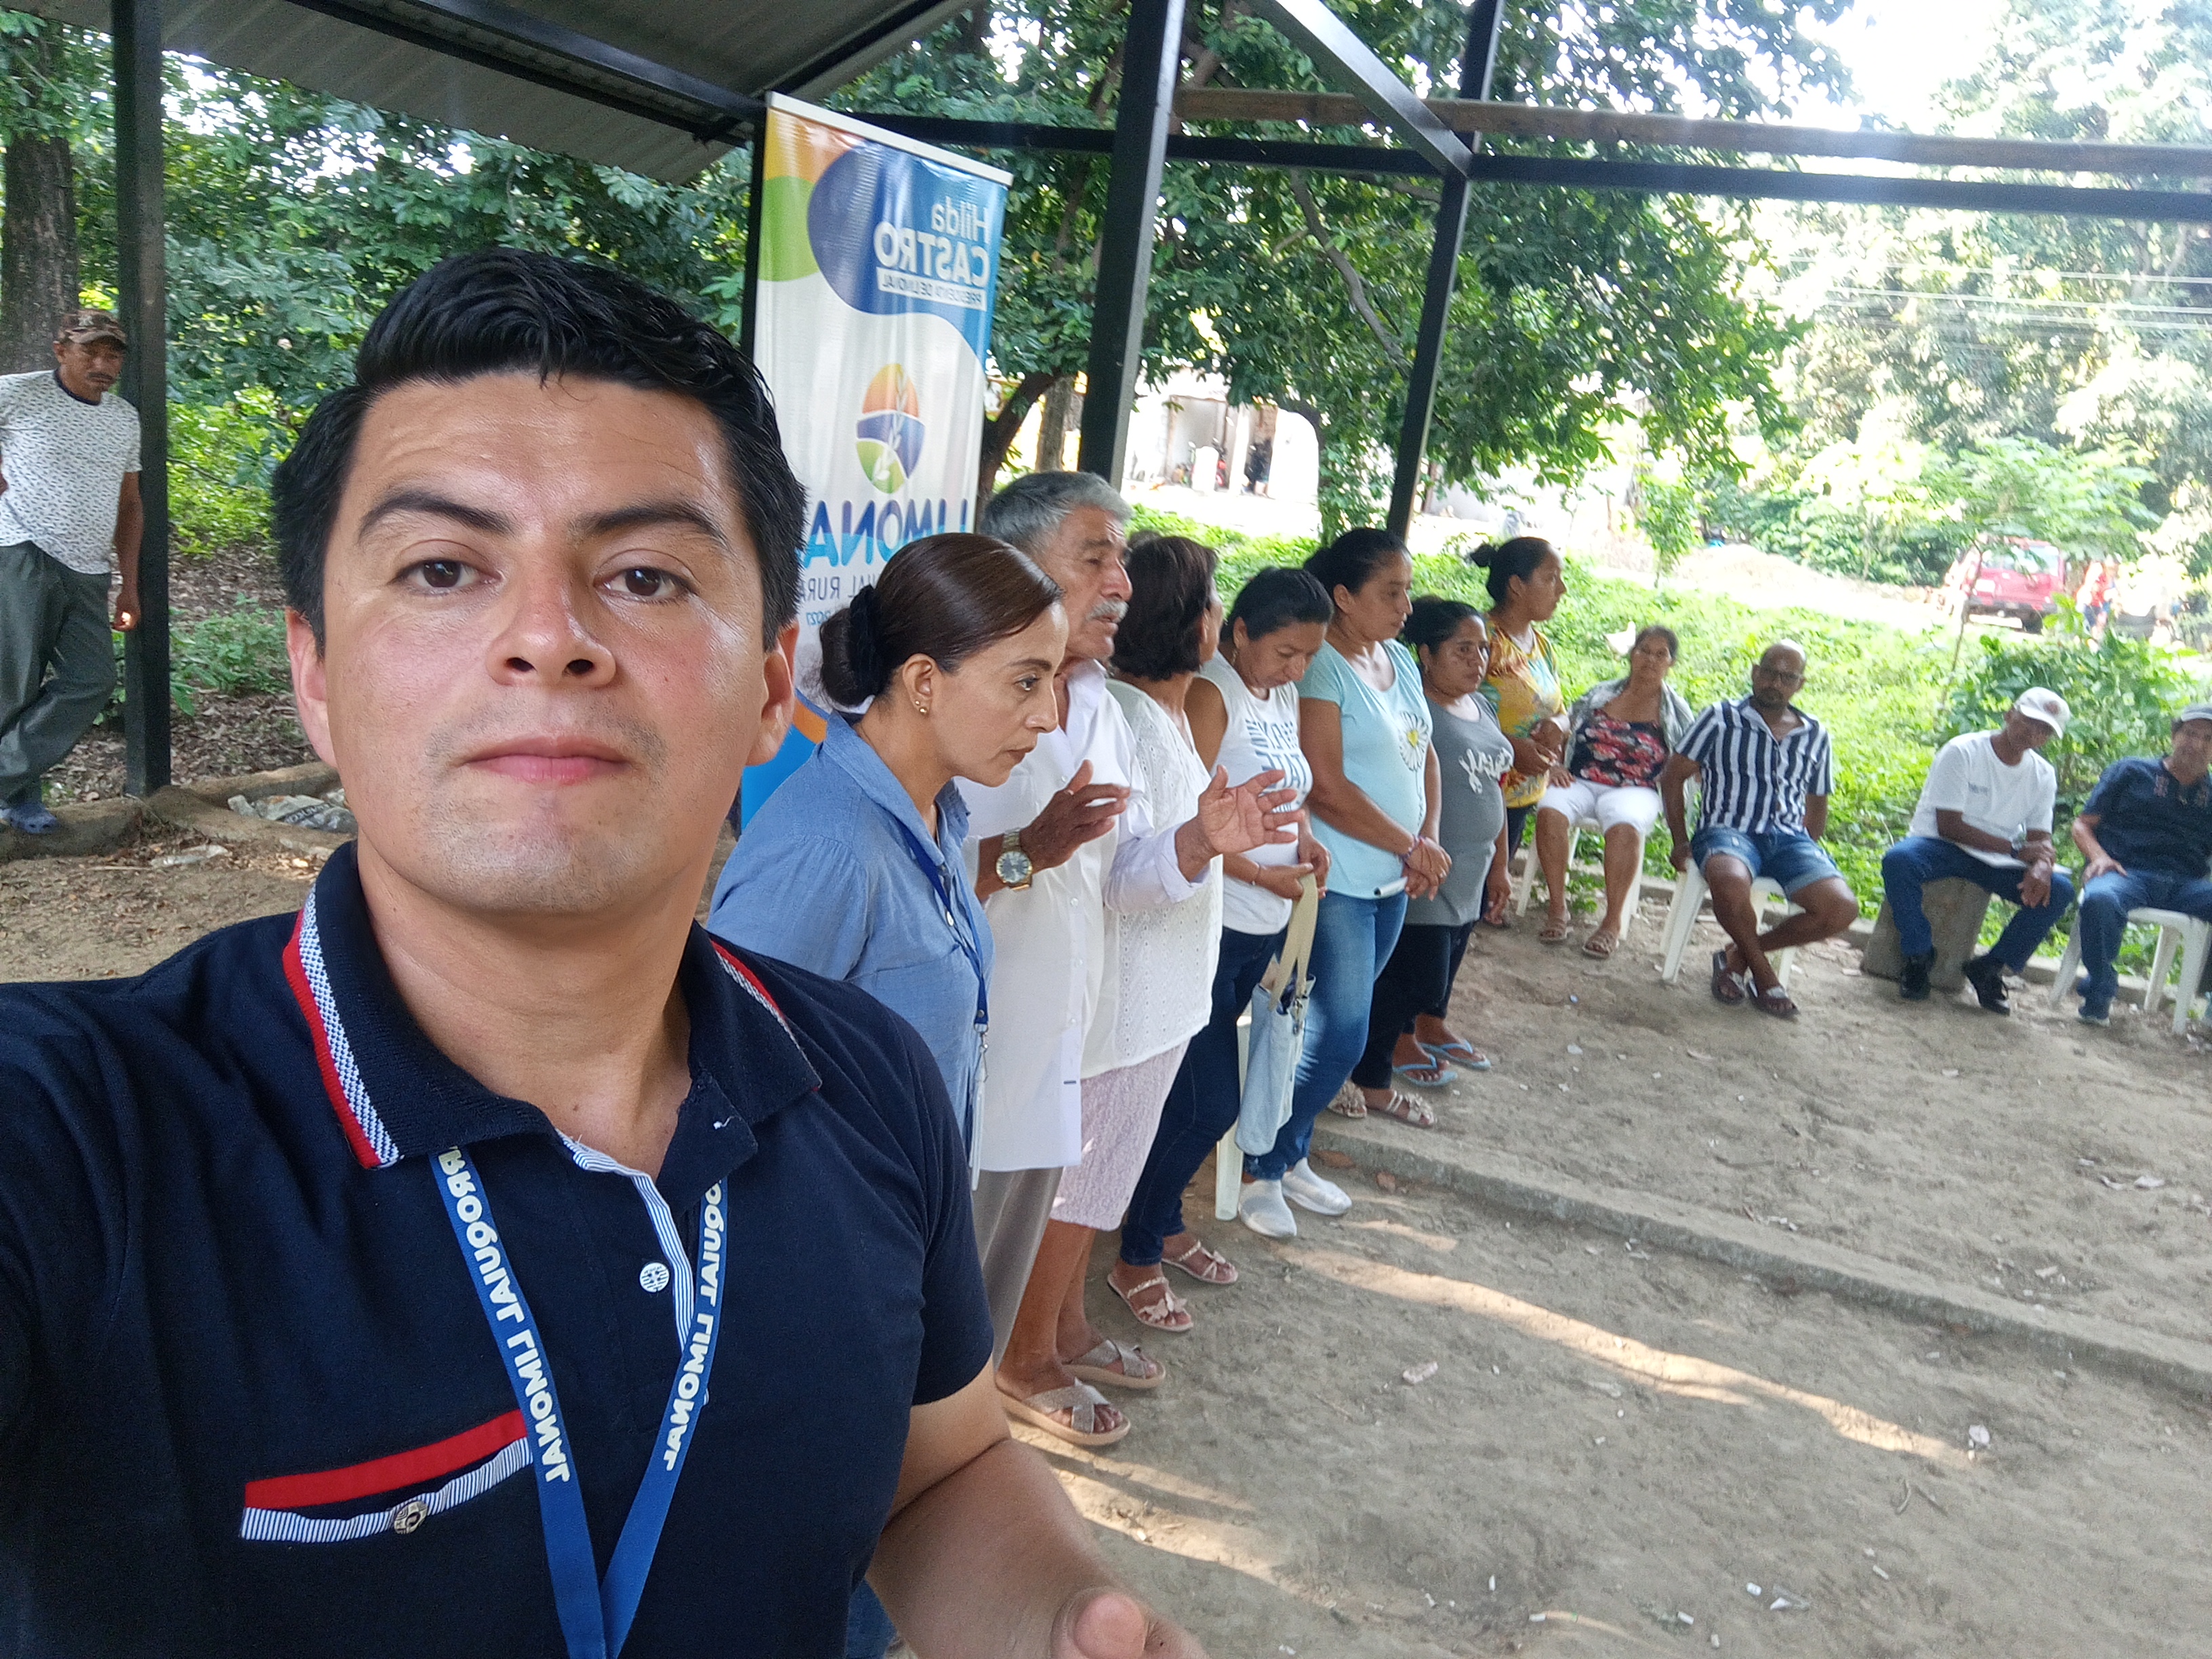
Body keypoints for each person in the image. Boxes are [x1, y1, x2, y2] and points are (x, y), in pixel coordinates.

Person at [0, 251, 1203, 1658]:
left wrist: (1062, 1614)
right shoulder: (78, 1135)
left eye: (643, 575)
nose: (547, 639)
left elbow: (936, 1469)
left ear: (770, 688)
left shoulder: (865, 1077)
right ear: (315, 676)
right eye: (442, 569)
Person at [705, 534, 1065, 1659]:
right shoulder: (827, 847)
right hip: (824, 1282)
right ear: (921, 680)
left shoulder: (935, 816)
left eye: (1053, 681)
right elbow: (719, 1088)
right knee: (829, 1567)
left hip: (894, 1257)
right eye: (1025, 681)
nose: (1048, 716)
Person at [962, 472, 1291, 1448]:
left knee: (1039, 1210)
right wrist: (1027, 852)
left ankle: (1026, 1359)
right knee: (962, 1244)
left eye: (1122, 558)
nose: (1121, 582)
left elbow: (1117, 880)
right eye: (1096, 557)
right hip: (973, 1029)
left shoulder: (1096, 705)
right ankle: (985, 1398)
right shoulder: (956, 688)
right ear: (1019, 565)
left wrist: (1198, 841)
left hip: (1072, 1015)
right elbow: (915, 871)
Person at [996, 535, 1228, 1437]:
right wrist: (1199, 843)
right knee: (1081, 1185)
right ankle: (1025, 1357)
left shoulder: (1138, 709)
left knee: (1099, 1179)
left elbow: (1146, 856)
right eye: (1211, 603)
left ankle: (1066, 1329)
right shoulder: (1127, 711)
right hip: (1123, 1004)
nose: (1116, 588)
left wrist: (1210, 838)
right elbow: (1114, 874)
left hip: (1157, 1000)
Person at [1110, 566, 1332, 1331]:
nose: (1296, 670)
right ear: (1238, 631)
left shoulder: (1281, 697)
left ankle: (1162, 1222)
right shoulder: (1211, 695)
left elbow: (1288, 789)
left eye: (1308, 656)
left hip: (1261, 926)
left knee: (1189, 1099)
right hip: (1213, 921)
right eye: (1285, 652)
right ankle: (1136, 1253)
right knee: (1208, 1102)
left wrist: (1305, 843)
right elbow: (1192, 827)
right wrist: (1262, 874)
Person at [1240, 528, 1446, 1237]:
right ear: (1344, 597)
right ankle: (1261, 1165)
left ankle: (1289, 1152)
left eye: (1407, 590)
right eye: (1392, 592)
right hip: (1340, 881)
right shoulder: (1321, 668)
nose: (1407, 606)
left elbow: (1425, 755)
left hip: (1394, 879)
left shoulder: (1397, 659)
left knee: (1327, 1029)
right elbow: (1324, 788)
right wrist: (1411, 845)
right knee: (1339, 1033)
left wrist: (1427, 843)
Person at [1346, 598, 1514, 1121]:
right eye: (1462, 649)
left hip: (1473, 869)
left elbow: (1495, 788)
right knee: (1415, 978)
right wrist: (1420, 843)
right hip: (1428, 870)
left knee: (1439, 975)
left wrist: (1500, 865)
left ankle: (1420, 1034)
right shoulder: (1417, 709)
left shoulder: (1481, 706)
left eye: (1482, 649)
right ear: (1425, 654)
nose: (1477, 660)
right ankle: (1374, 1067)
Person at [1659, 640, 1860, 1021]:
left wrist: (1806, 853)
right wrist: (1680, 841)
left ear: (1800, 684)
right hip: (1727, 830)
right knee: (1730, 880)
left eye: (1787, 677)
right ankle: (1766, 976)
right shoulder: (1720, 718)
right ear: (1754, 673)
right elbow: (1672, 776)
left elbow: (1817, 804)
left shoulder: (1815, 733)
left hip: (1789, 839)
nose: (1775, 683)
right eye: (1769, 672)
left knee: (1841, 908)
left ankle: (1738, 956)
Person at [0, 308, 142, 834]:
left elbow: (130, 503)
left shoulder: (123, 417)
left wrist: (129, 584)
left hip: (88, 567)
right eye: (91, 352)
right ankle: (21, 800)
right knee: (14, 684)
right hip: (22, 551)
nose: (103, 365)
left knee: (92, 679)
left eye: (113, 356)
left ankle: (7, 780)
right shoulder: (18, 393)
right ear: (61, 351)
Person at [1880, 688, 2074, 1015]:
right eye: (2029, 722)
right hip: (1942, 846)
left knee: (2059, 891)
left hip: (1995, 860)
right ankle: (1918, 954)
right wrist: (2016, 850)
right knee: (1900, 861)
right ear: (2009, 715)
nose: (2033, 733)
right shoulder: (1963, 751)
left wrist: (2042, 864)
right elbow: (1949, 826)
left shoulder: (2043, 774)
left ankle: (1991, 967)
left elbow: (2040, 837)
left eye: (2044, 730)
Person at [1534, 625, 1691, 957]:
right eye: (1644, 651)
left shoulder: (1676, 711)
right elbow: (1568, 724)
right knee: (1550, 809)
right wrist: (1556, 765)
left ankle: (1611, 922)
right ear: (1632, 654)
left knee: (1625, 825)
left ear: (1671, 663)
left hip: (1636, 787)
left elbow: (1688, 759)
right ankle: (1558, 908)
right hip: (1581, 778)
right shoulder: (1602, 694)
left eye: (1660, 654)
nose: (1650, 660)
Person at [2068, 703, 2212, 1026]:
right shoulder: (2132, 772)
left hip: (2185, 885)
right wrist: (2099, 857)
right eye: (2191, 734)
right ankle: (2099, 994)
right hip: (2125, 873)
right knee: (2100, 900)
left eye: (2208, 739)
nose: (2198, 744)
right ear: (2175, 736)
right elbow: (2082, 825)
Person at [1473, 536, 1568, 910]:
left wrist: (1559, 724)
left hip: (1520, 796)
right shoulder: (1480, 639)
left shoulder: (1541, 645)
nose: (1561, 589)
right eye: (1551, 578)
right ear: (1517, 585)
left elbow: (1561, 708)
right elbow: (1448, 708)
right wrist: (1511, 748)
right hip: (1477, 792)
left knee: (1482, 904)